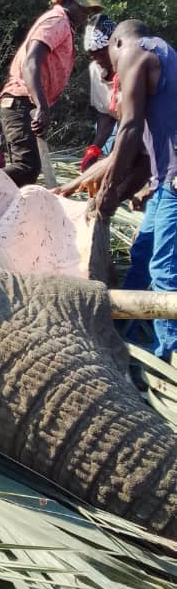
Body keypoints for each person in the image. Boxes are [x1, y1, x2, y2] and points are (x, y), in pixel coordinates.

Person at [89, 21, 177, 358]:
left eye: (108, 59)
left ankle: (167, 357)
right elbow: (148, 141)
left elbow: (129, 129)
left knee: (164, 270)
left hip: (173, 180)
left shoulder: (133, 52)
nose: (112, 71)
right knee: (142, 253)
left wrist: (109, 191)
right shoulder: (162, 51)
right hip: (164, 180)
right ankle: (123, 332)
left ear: (117, 43)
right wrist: (146, 186)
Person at [0, 0, 104, 187]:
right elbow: (31, 62)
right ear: (69, 1)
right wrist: (41, 106)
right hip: (21, 100)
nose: (85, 16)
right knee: (26, 168)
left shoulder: (63, 24)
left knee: (25, 171)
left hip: (25, 102)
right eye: (84, 9)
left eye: (89, 12)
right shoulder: (58, 21)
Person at [80, 15, 119, 172]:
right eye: (92, 54)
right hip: (126, 127)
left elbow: (136, 121)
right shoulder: (95, 69)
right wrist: (94, 149)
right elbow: (106, 114)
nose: (97, 59)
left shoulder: (132, 67)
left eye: (101, 54)